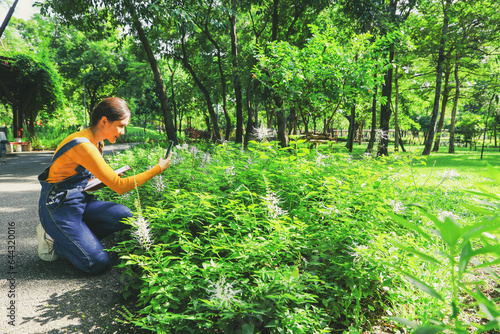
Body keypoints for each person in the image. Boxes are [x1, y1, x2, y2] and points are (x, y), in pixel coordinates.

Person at [37, 97, 171, 274]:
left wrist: (103, 181)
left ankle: (77, 241)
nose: (123, 132)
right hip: (57, 207)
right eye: (121, 125)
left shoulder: (97, 142)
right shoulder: (83, 145)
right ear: (104, 121)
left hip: (79, 201)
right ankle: (57, 242)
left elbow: (82, 183)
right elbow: (120, 187)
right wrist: (157, 169)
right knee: (98, 264)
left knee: (124, 215)